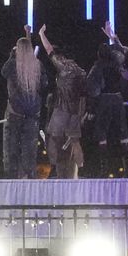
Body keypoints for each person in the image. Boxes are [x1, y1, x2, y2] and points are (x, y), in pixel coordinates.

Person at [40, 26, 89, 180]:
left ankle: (54, 168)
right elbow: (84, 93)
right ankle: (82, 169)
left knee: (52, 138)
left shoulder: (62, 66)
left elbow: (49, 50)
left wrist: (41, 34)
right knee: (74, 141)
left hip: (62, 109)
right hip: (75, 110)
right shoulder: (80, 71)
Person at [87, 25, 128, 179]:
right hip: (118, 98)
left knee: (101, 131)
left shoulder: (97, 67)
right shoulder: (118, 61)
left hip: (105, 99)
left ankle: (103, 167)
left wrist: (91, 109)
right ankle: (127, 167)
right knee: (122, 131)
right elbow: (124, 51)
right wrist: (113, 37)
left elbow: (93, 89)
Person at [0, 32, 46, 179]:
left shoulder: (13, 64)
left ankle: (11, 180)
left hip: (15, 112)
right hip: (32, 113)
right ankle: (30, 178)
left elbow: (3, 72)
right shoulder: (37, 65)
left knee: (11, 149)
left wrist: (12, 55)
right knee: (29, 151)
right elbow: (44, 83)